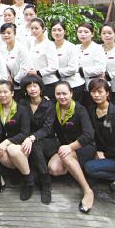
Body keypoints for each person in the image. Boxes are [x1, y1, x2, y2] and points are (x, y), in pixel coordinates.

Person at [47, 81, 96, 213]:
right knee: (54, 169)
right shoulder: (53, 108)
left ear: (71, 94)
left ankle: (87, 190)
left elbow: (89, 135)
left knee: (65, 156)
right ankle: (73, 168)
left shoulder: (80, 109)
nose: (61, 97)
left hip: (83, 146)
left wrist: (70, 147)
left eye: (65, 93)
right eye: (58, 94)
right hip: (65, 147)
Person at [84, 78, 115, 192]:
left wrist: (106, 155)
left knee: (89, 168)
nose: (96, 95)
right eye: (93, 92)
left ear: (107, 93)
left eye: (100, 92)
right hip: (100, 153)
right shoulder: (91, 110)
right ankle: (102, 171)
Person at [0, 80, 34, 201]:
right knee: (1, 154)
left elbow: (25, 133)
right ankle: (19, 170)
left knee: (12, 149)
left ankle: (29, 181)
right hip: (4, 147)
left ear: (12, 93)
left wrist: (7, 142)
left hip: (21, 145)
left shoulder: (22, 110)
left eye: (5, 92)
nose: (2, 95)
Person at [19, 75, 55, 204]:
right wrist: (28, 138)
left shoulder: (49, 104)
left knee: (35, 145)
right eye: (29, 86)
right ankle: (30, 181)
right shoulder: (22, 103)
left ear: (41, 88)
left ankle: (45, 183)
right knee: (30, 147)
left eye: (35, 85)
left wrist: (32, 138)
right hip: (27, 139)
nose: (32, 89)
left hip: (48, 140)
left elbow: (47, 128)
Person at [22, 19, 59, 98]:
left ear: (43, 29)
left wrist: (38, 73)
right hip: (36, 83)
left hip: (49, 83)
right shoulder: (32, 42)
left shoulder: (49, 44)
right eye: (32, 28)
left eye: (36, 28)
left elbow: (54, 66)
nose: (34, 31)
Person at [51, 21, 84, 102]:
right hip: (55, 85)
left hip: (73, 85)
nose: (57, 33)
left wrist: (56, 72)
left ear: (65, 31)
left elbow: (73, 68)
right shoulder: (48, 46)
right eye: (54, 30)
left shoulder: (71, 47)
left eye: (59, 30)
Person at [77, 23, 106, 110]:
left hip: (95, 85)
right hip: (80, 86)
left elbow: (101, 68)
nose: (82, 34)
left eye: (86, 32)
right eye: (80, 32)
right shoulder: (75, 48)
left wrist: (81, 70)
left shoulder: (97, 48)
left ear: (92, 34)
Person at [0, 22, 27, 99]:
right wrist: (8, 79)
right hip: (8, 85)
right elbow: (3, 66)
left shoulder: (21, 48)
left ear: (14, 33)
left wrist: (14, 81)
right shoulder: (1, 49)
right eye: (3, 33)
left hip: (21, 84)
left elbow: (24, 68)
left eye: (9, 33)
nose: (6, 35)